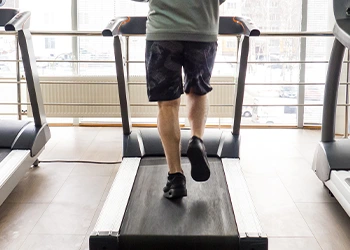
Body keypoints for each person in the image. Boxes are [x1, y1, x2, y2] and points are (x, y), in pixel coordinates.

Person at [145, 0, 226, 199]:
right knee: (197, 91)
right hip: (202, 30)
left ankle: (175, 177)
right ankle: (196, 140)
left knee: (167, 104)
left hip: (163, 32)